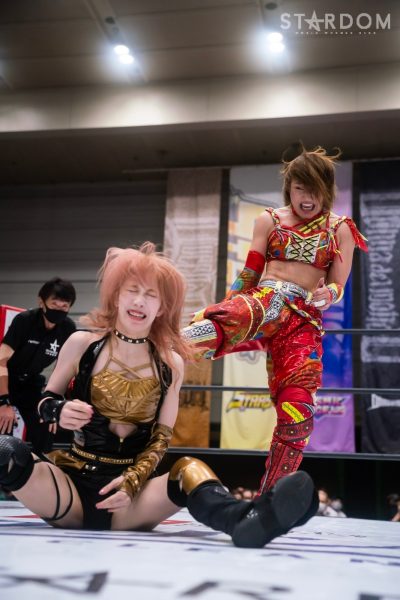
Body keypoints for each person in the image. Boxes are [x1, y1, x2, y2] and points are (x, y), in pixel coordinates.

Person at [0, 243, 317, 545]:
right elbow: (45, 400)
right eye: (132, 290)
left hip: (131, 500)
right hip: (69, 490)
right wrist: (58, 410)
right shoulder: (82, 343)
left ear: (162, 306)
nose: (139, 301)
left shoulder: (171, 363)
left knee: (189, 469)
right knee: (6, 450)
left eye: (150, 295)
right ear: (116, 296)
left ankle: (248, 519)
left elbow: (161, 438)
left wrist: (133, 481)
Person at [183, 146, 368, 495]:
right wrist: (226, 306)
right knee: (226, 318)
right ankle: (167, 343)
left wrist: (328, 295)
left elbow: (338, 285)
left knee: (299, 412)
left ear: (327, 190)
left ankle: (271, 497)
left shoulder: (341, 228)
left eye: (314, 190)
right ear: (289, 188)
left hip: (304, 323)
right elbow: (250, 273)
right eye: (300, 189)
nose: (307, 198)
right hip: (267, 301)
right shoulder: (269, 219)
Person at [0, 278, 76, 455]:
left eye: (64, 306)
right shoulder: (24, 321)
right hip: (6, 378)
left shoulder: (67, 329)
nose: (58, 310)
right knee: (5, 426)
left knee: (46, 427)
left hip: (31, 383)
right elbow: (1, 361)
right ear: (41, 302)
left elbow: (65, 368)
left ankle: (40, 468)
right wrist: (3, 402)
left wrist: (54, 404)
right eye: (54, 304)